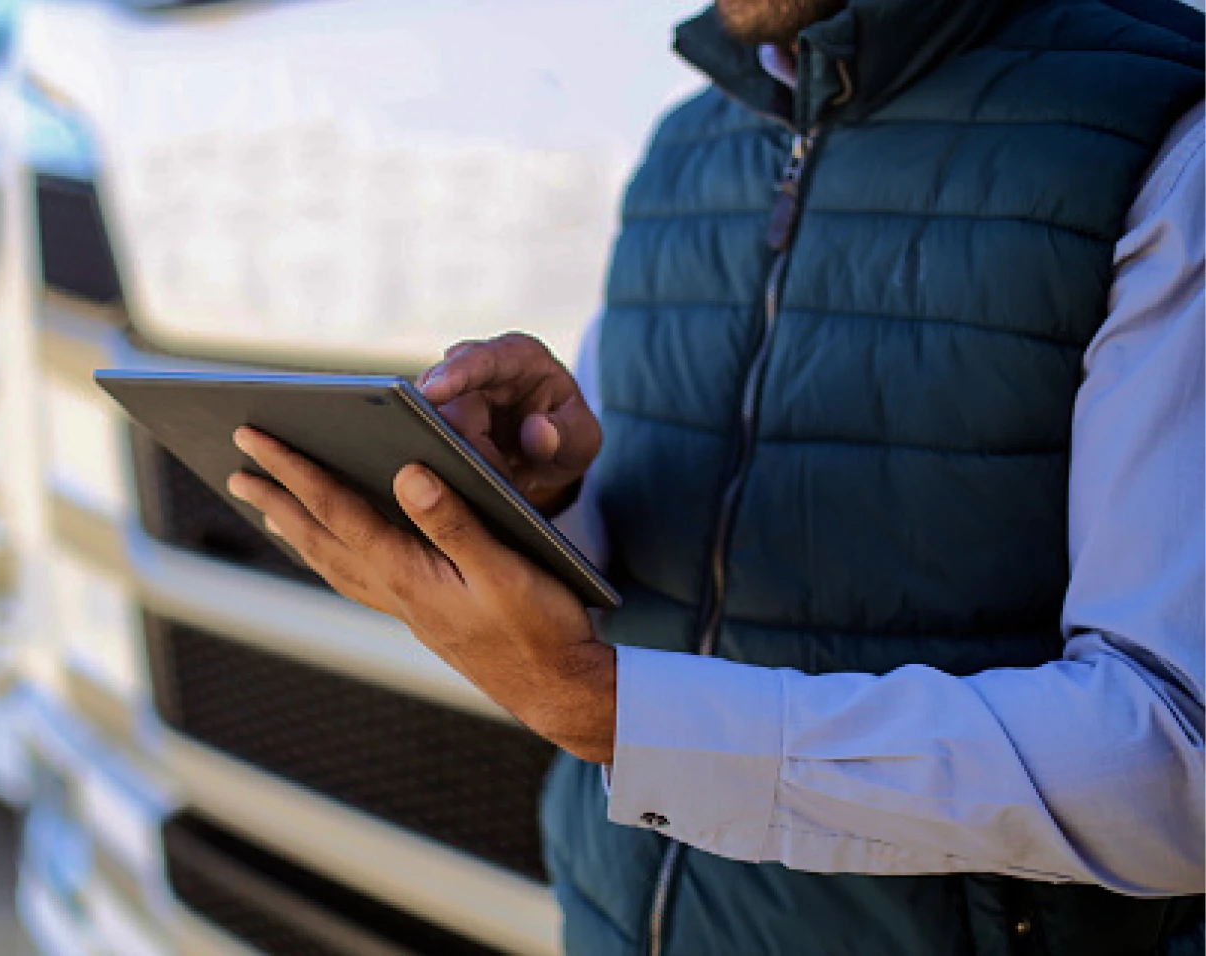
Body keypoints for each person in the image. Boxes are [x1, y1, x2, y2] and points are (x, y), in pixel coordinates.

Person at [226, 0, 1206, 951]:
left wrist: (608, 711)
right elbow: (669, 563)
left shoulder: (1169, 138)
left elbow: (1175, 762)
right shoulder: (681, 147)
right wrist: (543, 494)